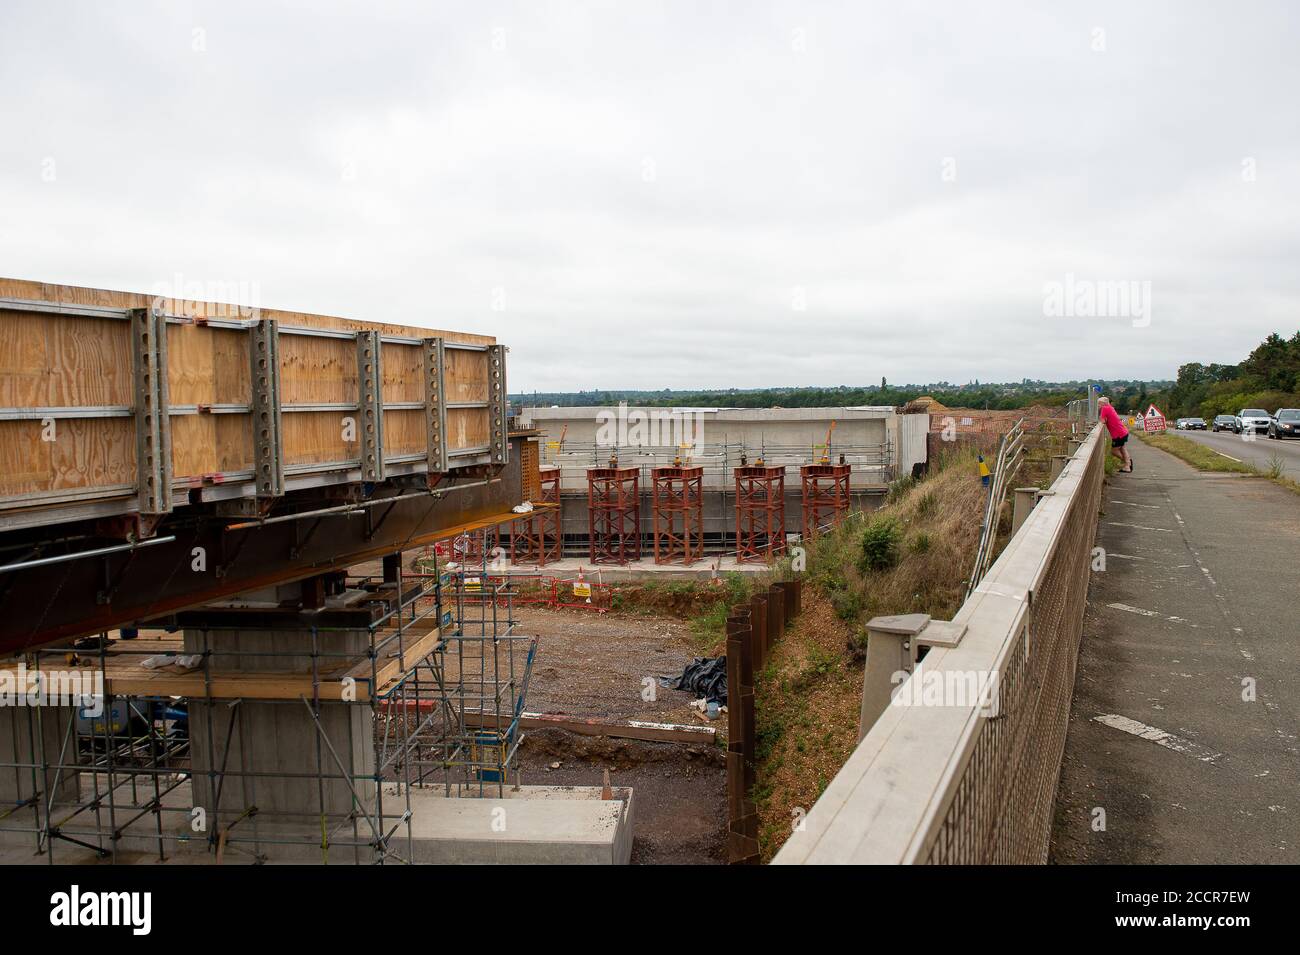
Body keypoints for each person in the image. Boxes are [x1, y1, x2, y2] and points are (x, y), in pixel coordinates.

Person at [1098, 396, 1132, 472]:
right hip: (1123, 431)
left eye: (1099, 404)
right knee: (1122, 448)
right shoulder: (1110, 407)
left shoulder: (1105, 408)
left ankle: (1128, 462)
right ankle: (1127, 465)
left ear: (1103, 404)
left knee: (1114, 451)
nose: (1098, 405)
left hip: (1118, 434)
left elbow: (1102, 421)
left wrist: (1101, 418)